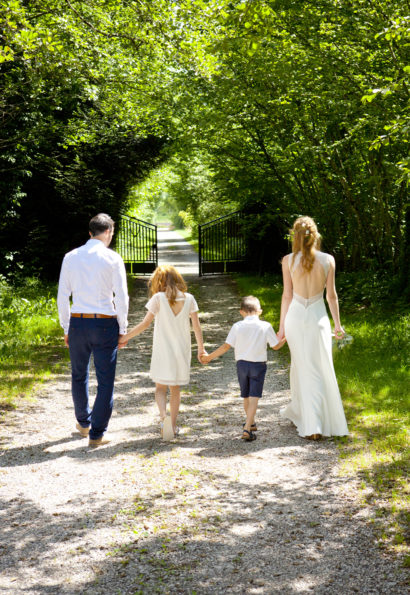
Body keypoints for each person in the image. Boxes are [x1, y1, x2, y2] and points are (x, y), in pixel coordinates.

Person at [57, 213, 129, 447]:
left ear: (90, 232)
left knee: (78, 374)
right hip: (104, 322)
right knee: (105, 379)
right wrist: (123, 327)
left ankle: (83, 423)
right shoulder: (112, 258)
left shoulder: (70, 257)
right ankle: (96, 434)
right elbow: (122, 296)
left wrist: (66, 326)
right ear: (108, 232)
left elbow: (62, 296)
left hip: (78, 321)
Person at [277, 216, 348, 440]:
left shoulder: (288, 260)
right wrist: (338, 325)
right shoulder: (328, 260)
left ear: (294, 236)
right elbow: (331, 296)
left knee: (302, 366)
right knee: (320, 366)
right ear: (315, 234)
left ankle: (312, 423)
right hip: (318, 318)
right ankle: (316, 420)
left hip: (296, 317)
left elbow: (287, 296)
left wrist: (281, 329)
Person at [119, 265, 206, 440]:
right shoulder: (189, 299)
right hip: (181, 350)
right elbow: (196, 327)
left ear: (159, 282)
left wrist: (123, 337)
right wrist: (201, 348)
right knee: (175, 389)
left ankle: (163, 419)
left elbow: (144, 324)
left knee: (160, 388)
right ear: (178, 279)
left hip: (162, 350)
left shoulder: (158, 298)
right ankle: (173, 427)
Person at [201, 296, 286, 441]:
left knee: (246, 395)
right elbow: (276, 346)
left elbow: (226, 346)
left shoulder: (237, 326)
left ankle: (251, 422)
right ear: (259, 311)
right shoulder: (265, 326)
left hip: (241, 365)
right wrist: (286, 337)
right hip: (258, 365)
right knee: (254, 397)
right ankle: (247, 428)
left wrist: (209, 357)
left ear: (242, 312)